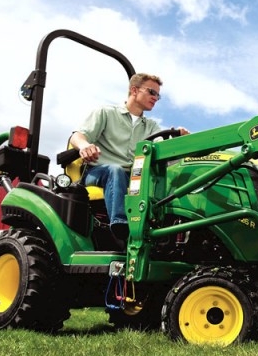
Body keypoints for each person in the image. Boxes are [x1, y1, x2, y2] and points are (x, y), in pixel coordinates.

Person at [70, 73, 188, 241]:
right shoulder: (105, 113)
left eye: (158, 95)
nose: (155, 98)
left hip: (133, 177)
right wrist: (84, 146)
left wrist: (179, 139)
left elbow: (164, 149)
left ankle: (164, 231)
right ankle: (121, 225)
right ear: (134, 90)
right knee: (115, 170)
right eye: (151, 92)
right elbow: (77, 136)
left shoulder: (151, 126)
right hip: (98, 171)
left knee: (165, 178)